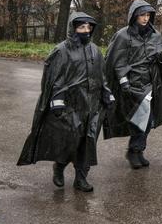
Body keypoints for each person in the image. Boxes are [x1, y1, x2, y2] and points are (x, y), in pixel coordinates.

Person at [17, 12, 113, 192]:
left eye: (88, 27)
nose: (86, 30)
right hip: (71, 106)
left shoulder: (95, 50)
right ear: (73, 28)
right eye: (81, 27)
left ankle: (81, 178)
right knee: (70, 141)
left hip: (91, 105)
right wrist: (57, 101)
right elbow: (54, 79)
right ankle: (59, 166)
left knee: (88, 141)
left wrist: (106, 93)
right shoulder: (62, 50)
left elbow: (102, 76)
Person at [103, 0, 162, 169]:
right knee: (139, 120)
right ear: (134, 16)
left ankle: (138, 150)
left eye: (148, 15)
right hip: (133, 85)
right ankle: (134, 150)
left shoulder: (155, 35)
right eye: (142, 15)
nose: (145, 18)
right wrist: (123, 80)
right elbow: (116, 61)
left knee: (148, 120)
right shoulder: (123, 35)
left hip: (152, 83)